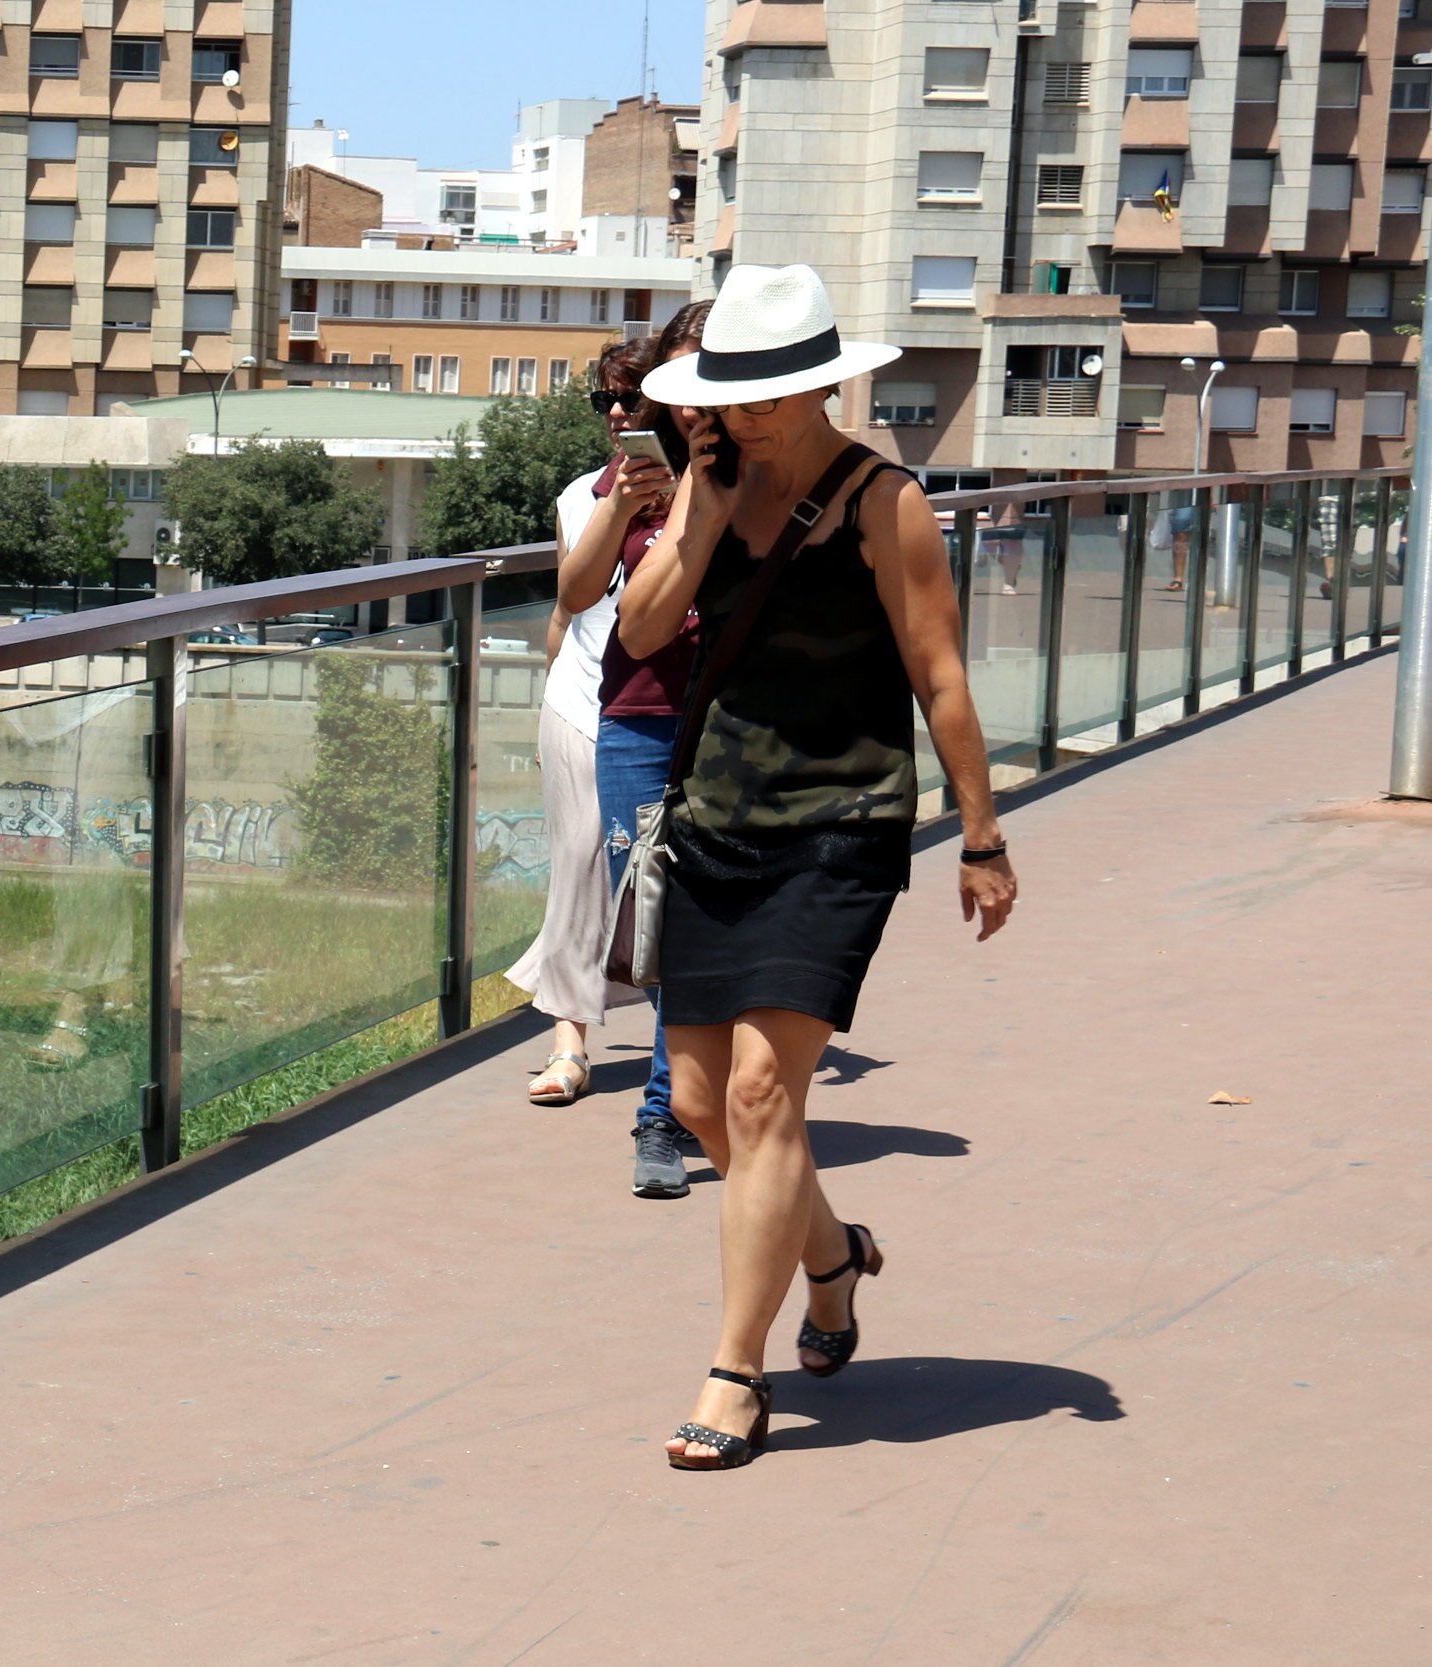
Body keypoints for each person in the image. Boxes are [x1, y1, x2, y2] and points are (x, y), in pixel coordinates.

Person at [618, 265, 1019, 1470]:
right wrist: (692, 509)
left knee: (757, 1093)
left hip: (839, 823)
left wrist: (983, 833)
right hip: (714, 816)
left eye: (754, 399)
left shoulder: (881, 501)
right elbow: (639, 631)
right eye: (720, 399)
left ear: (812, 389)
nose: (732, 417)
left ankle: (734, 1371)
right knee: (696, 1103)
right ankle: (832, 1255)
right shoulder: (709, 484)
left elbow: (938, 673)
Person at [556, 303, 713, 1199]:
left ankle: (673, 1103)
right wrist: (622, 508)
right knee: (659, 921)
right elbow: (577, 594)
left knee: (704, 923)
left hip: (734, 723)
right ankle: (669, 1103)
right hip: (639, 720)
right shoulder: (631, 476)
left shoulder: (753, 475)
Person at [506, 340, 657, 1113]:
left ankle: (678, 1039)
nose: (619, 415)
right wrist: (550, 700)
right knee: (577, 862)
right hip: (578, 704)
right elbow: (569, 608)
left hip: (661, 711)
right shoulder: (576, 499)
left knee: (650, 882)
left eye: (632, 398)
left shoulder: (703, 496)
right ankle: (569, 1043)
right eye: (608, 402)